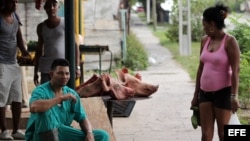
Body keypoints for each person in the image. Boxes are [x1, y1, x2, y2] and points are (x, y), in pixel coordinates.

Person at [25, 58, 110, 141]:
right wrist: (61, 98)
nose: (64, 77)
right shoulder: (41, 90)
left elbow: (82, 118)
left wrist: (89, 133)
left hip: (63, 133)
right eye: (60, 73)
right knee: (45, 113)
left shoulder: (71, 93)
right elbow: (34, 107)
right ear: (51, 74)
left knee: (102, 135)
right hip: (40, 136)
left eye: (67, 73)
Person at [191, 2, 241, 141]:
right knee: (206, 135)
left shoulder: (230, 42)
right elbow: (201, 68)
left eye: (205, 24)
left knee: (224, 134)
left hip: (223, 94)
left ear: (212, 24)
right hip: (205, 94)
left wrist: (234, 96)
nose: (204, 27)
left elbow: (236, 70)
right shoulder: (204, 41)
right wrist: (196, 95)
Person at [0, 0, 30, 140]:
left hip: (13, 62)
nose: (14, 4)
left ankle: (16, 130)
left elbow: (18, 37)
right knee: (1, 98)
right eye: (12, 1)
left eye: (16, 1)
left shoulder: (15, 17)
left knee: (17, 98)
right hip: (1, 64)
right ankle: (4, 130)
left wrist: (24, 52)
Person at [33, 0, 81, 86]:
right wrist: (35, 71)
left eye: (54, 5)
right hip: (47, 69)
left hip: (63, 67)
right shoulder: (41, 27)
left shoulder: (65, 23)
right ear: (45, 8)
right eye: (48, 5)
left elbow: (75, 45)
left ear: (58, 7)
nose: (51, 8)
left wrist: (77, 67)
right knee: (47, 95)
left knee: (63, 94)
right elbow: (39, 50)